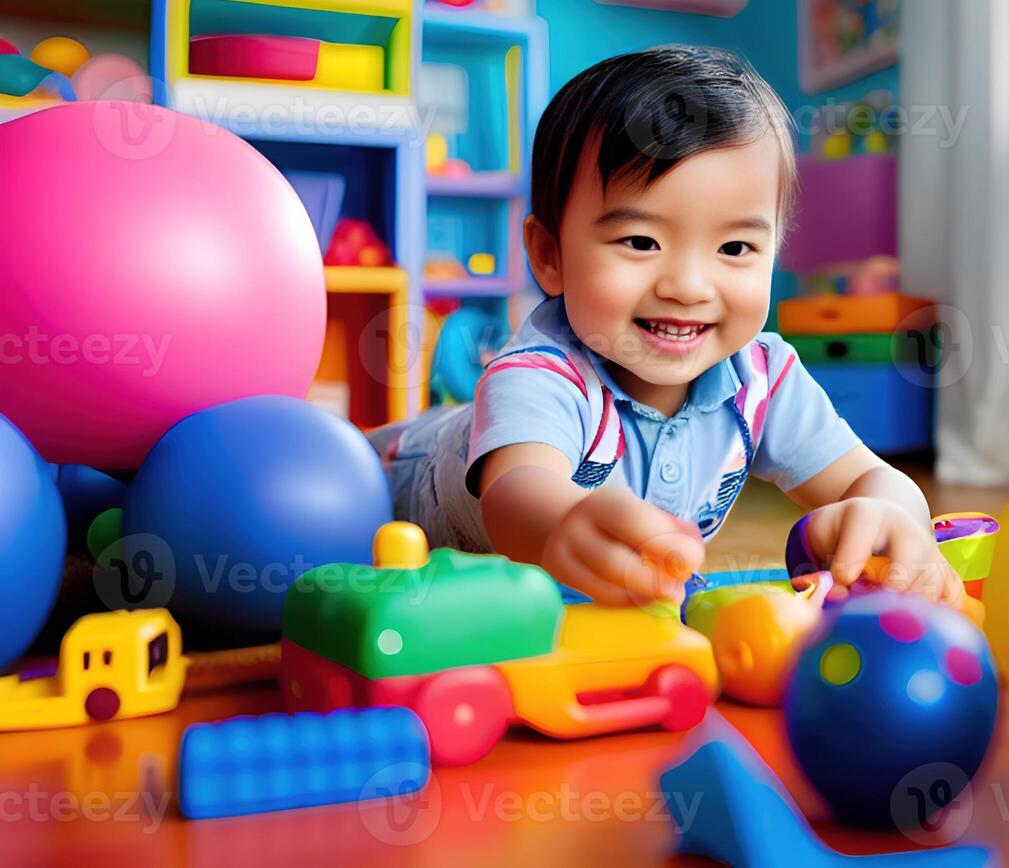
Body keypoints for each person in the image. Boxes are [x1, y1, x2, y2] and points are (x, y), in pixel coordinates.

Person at [372, 45, 962, 609]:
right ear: (550, 255)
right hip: (389, 477)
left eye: (735, 247)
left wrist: (886, 512)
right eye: (640, 241)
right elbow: (517, 493)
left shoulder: (763, 377)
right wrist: (561, 524)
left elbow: (868, 474)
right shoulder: (541, 373)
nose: (688, 286)